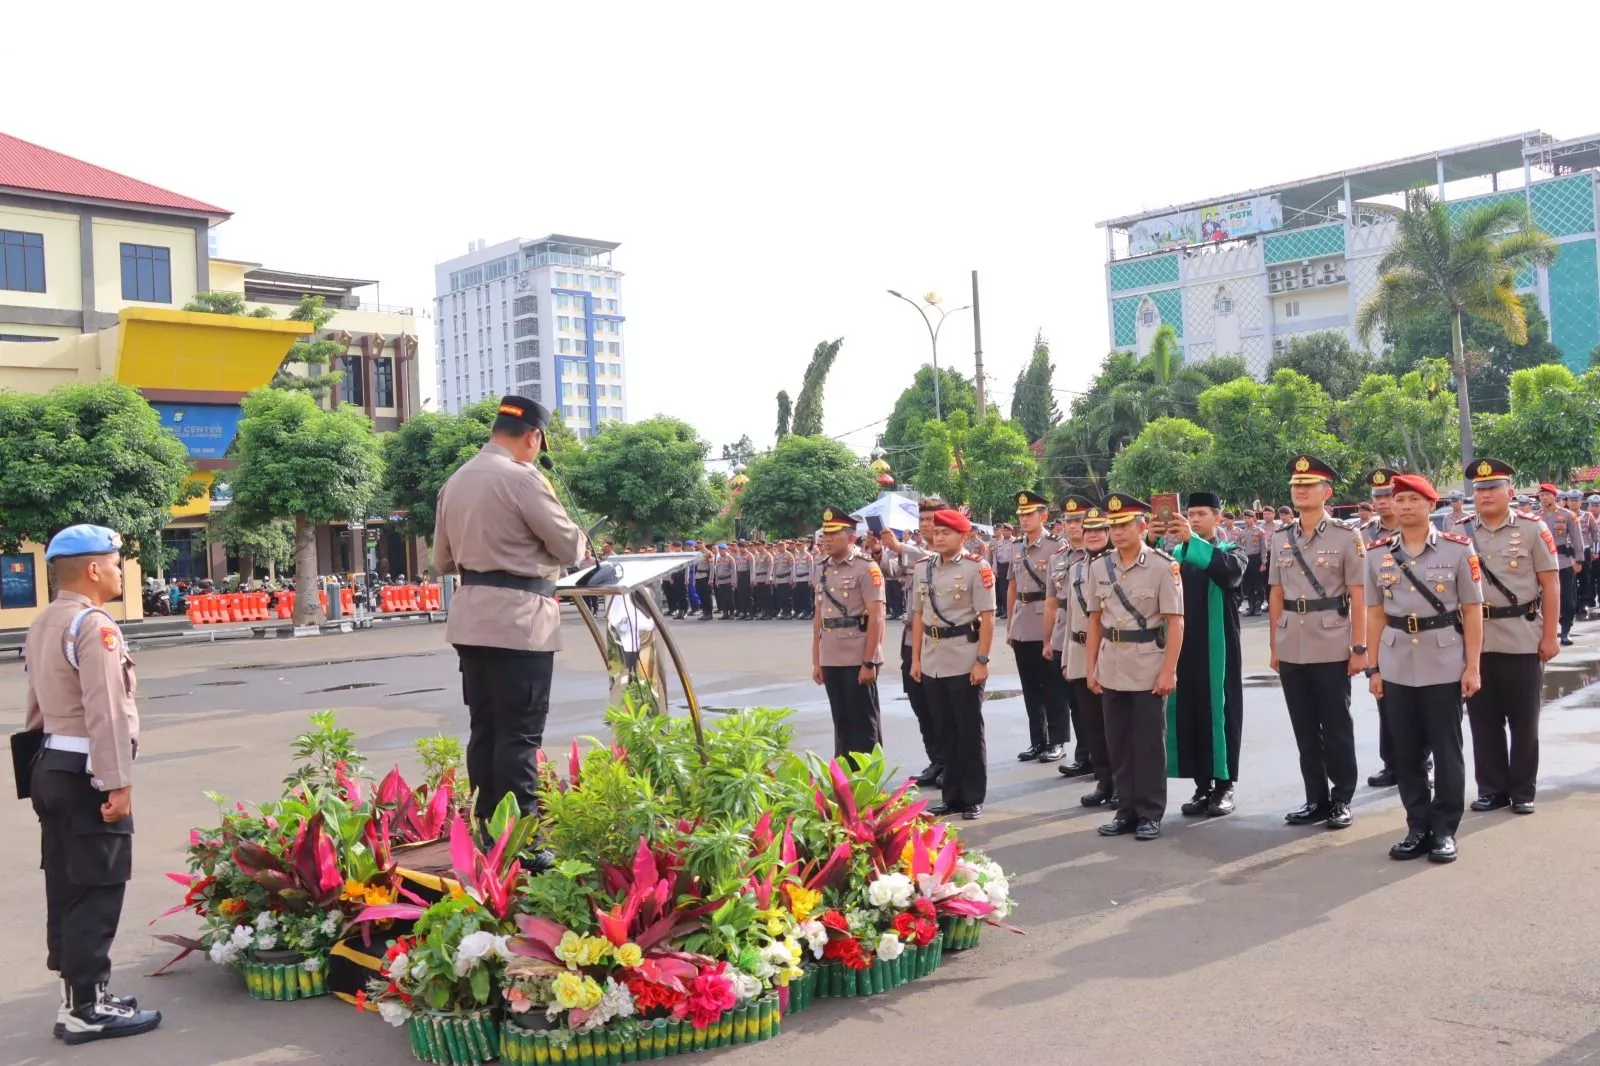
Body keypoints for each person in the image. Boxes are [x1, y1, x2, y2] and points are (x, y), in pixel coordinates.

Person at [22, 525, 163, 1043]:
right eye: (116, 562)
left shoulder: (45, 620)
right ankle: (88, 1008)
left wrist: (40, 771)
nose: (120, 571)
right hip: (87, 773)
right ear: (93, 568)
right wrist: (116, 782)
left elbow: (36, 707)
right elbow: (106, 710)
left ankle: (77, 1000)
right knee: (97, 889)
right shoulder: (93, 625)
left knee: (66, 885)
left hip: (51, 765)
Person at [433, 395, 586, 829]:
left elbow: (441, 560)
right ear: (534, 437)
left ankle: (486, 828)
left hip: (471, 620)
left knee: (485, 728)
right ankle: (523, 839)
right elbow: (569, 547)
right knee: (519, 736)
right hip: (520, 622)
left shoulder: (455, 481)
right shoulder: (524, 479)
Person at [1363, 474, 1483, 863]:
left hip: (1444, 661)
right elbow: (1375, 613)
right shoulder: (1376, 553)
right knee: (1406, 752)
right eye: (1399, 500)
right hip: (1396, 662)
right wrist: (1373, 668)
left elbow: (1472, 611)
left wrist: (1473, 666)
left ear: (1432, 505)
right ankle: (1417, 826)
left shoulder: (1458, 549)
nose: (1405, 506)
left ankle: (1444, 829)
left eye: (1414, 500)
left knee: (1447, 751)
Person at [1271, 455, 1368, 831]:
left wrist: (1359, 647)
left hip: (1331, 639)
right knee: (1304, 726)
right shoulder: (1280, 537)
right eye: (1296, 485)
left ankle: (1341, 798)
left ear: (1326, 492)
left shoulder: (1346, 536)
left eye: (1309, 485)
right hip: (1291, 641)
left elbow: (1358, 594)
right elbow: (1276, 593)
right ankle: (1316, 798)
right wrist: (1275, 646)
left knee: (1336, 724)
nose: (1301, 490)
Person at [1462, 459, 1559, 816]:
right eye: (1479, 489)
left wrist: (1550, 635)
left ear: (1510, 492)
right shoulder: (1460, 531)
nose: (1485, 494)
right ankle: (1492, 789)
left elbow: (1551, 584)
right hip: (1477, 640)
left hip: (1522, 636)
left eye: (1492, 488)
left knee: (1524, 721)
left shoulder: (1533, 529)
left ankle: (1521, 790)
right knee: (1483, 720)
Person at [1085, 493, 1183, 840]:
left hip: (1147, 664)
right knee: (1119, 742)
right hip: (1111, 662)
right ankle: (1125, 810)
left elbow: (1175, 622)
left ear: (1142, 527)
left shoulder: (1162, 566)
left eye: (1125, 525)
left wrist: (1169, 670)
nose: (1117, 531)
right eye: (1113, 526)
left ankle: (1150, 813)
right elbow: (1094, 620)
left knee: (1149, 744)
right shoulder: (1099, 567)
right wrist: (1091, 666)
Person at [909, 509, 997, 820]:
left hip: (964, 657)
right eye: (936, 532)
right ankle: (952, 796)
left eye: (946, 533)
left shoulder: (977, 567)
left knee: (968, 731)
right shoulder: (923, 568)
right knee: (944, 730)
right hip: (932, 658)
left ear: (963, 536)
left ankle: (972, 797)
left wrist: (982, 660)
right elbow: (918, 616)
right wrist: (916, 658)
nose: (939, 537)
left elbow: (988, 618)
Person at [1167, 493, 1248, 818]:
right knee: (1190, 712)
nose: (1195, 519)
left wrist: (1193, 541)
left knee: (1221, 712)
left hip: (1219, 648)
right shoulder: (1177, 555)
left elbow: (1229, 574)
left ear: (1218, 517)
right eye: (1191, 514)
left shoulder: (1232, 551)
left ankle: (1224, 785)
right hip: (1185, 648)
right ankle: (1202, 786)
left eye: (1202, 513)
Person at [810, 506, 886, 760]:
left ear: (851, 537)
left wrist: (870, 661)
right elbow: (819, 618)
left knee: (863, 722)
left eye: (834, 534)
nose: (827, 539)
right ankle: (844, 775)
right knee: (841, 722)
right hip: (831, 654)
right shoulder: (822, 567)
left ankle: (868, 776)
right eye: (825, 534)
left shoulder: (867, 568)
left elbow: (876, 617)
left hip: (857, 655)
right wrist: (817, 661)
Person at [881, 502, 944, 786]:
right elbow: (893, 571)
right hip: (911, 637)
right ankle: (936, 760)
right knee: (919, 702)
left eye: (932, 519)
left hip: (939, 639)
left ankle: (951, 762)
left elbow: (929, 558)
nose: (926, 524)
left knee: (941, 705)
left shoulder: (942, 554)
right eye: (922, 520)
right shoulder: (913, 552)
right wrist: (880, 551)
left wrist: (899, 547)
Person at [1059, 506, 1117, 805]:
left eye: (1099, 530)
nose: (1092, 535)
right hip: (1080, 652)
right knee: (1091, 724)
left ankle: (1121, 786)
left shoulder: (1117, 564)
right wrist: (1067, 658)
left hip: (1111, 650)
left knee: (1114, 726)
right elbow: (1072, 614)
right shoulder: (1076, 568)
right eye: (1088, 530)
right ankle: (1104, 783)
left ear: (1109, 533)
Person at [1008, 491, 1069, 763]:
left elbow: (1059, 589)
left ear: (1043, 516)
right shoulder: (1015, 547)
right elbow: (1012, 586)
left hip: (1046, 620)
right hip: (1022, 622)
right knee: (1030, 687)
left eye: (1029, 514)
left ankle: (1057, 741)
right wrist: (1010, 625)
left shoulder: (1056, 545)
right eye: (1021, 515)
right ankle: (1038, 740)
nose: (1024, 519)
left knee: (1053, 687)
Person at [1361, 468, 1406, 790]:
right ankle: (1391, 763)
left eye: (1388, 495)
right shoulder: (1363, 535)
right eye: (1377, 496)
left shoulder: (1415, 527)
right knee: (1385, 697)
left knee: (1421, 701)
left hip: (1415, 624)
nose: (1382, 501)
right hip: (1380, 623)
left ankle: (1421, 763)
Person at [1043, 495, 1094, 777]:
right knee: (1075, 700)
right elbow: (1051, 601)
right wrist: (1047, 639)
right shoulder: (1058, 558)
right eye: (1068, 521)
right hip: (1064, 630)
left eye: (1078, 520)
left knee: (1094, 701)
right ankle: (1084, 756)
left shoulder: (1099, 555)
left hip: (1091, 630)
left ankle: (1101, 758)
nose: (1073, 526)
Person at [1538, 483, 1582, 645]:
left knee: (1567, 599)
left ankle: (1565, 631)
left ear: (1554, 496)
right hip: (1542, 564)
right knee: (1544, 600)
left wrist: (1579, 560)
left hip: (1563, 562)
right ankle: (1548, 632)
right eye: (1541, 495)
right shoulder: (1536, 517)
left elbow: (1577, 539)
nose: (1544, 498)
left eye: (1547, 495)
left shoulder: (1567, 515)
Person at [1238, 510, 1269, 616]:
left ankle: (1258, 606)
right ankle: (1251, 607)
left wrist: (1263, 562)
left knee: (1258, 584)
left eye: (1249, 518)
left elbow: (1264, 548)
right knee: (1248, 584)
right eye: (1245, 518)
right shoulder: (1242, 533)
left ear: (1254, 518)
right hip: (1246, 560)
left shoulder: (1259, 531)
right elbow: (1240, 548)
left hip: (1256, 559)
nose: (1246, 520)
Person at [992, 524, 1014, 620]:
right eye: (1004, 530)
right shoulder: (998, 542)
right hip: (1001, 566)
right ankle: (1005, 610)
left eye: (1007, 531)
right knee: (1002, 590)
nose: (1005, 532)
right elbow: (995, 556)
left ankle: (1011, 611)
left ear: (1011, 531)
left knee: (1011, 589)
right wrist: (995, 568)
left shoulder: (1015, 541)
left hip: (1011, 566)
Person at [793, 543, 815, 620]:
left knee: (807, 597)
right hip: (798, 578)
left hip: (806, 578)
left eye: (800, 545)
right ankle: (803, 612)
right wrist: (794, 579)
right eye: (797, 545)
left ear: (804, 545)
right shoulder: (796, 555)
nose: (799, 547)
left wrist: (810, 579)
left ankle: (809, 612)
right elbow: (794, 568)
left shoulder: (808, 555)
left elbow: (811, 568)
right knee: (799, 596)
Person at [734, 541, 753, 619]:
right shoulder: (738, 555)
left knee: (748, 596)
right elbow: (736, 568)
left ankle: (750, 613)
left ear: (745, 547)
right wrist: (735, 580)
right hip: (740, 575)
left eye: (742, 547)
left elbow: (752, 568)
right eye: (739, 547)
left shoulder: (749, 555)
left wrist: (752, 579)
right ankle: (744, 612)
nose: (740, 549)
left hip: (746, 575)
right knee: (741, 596)